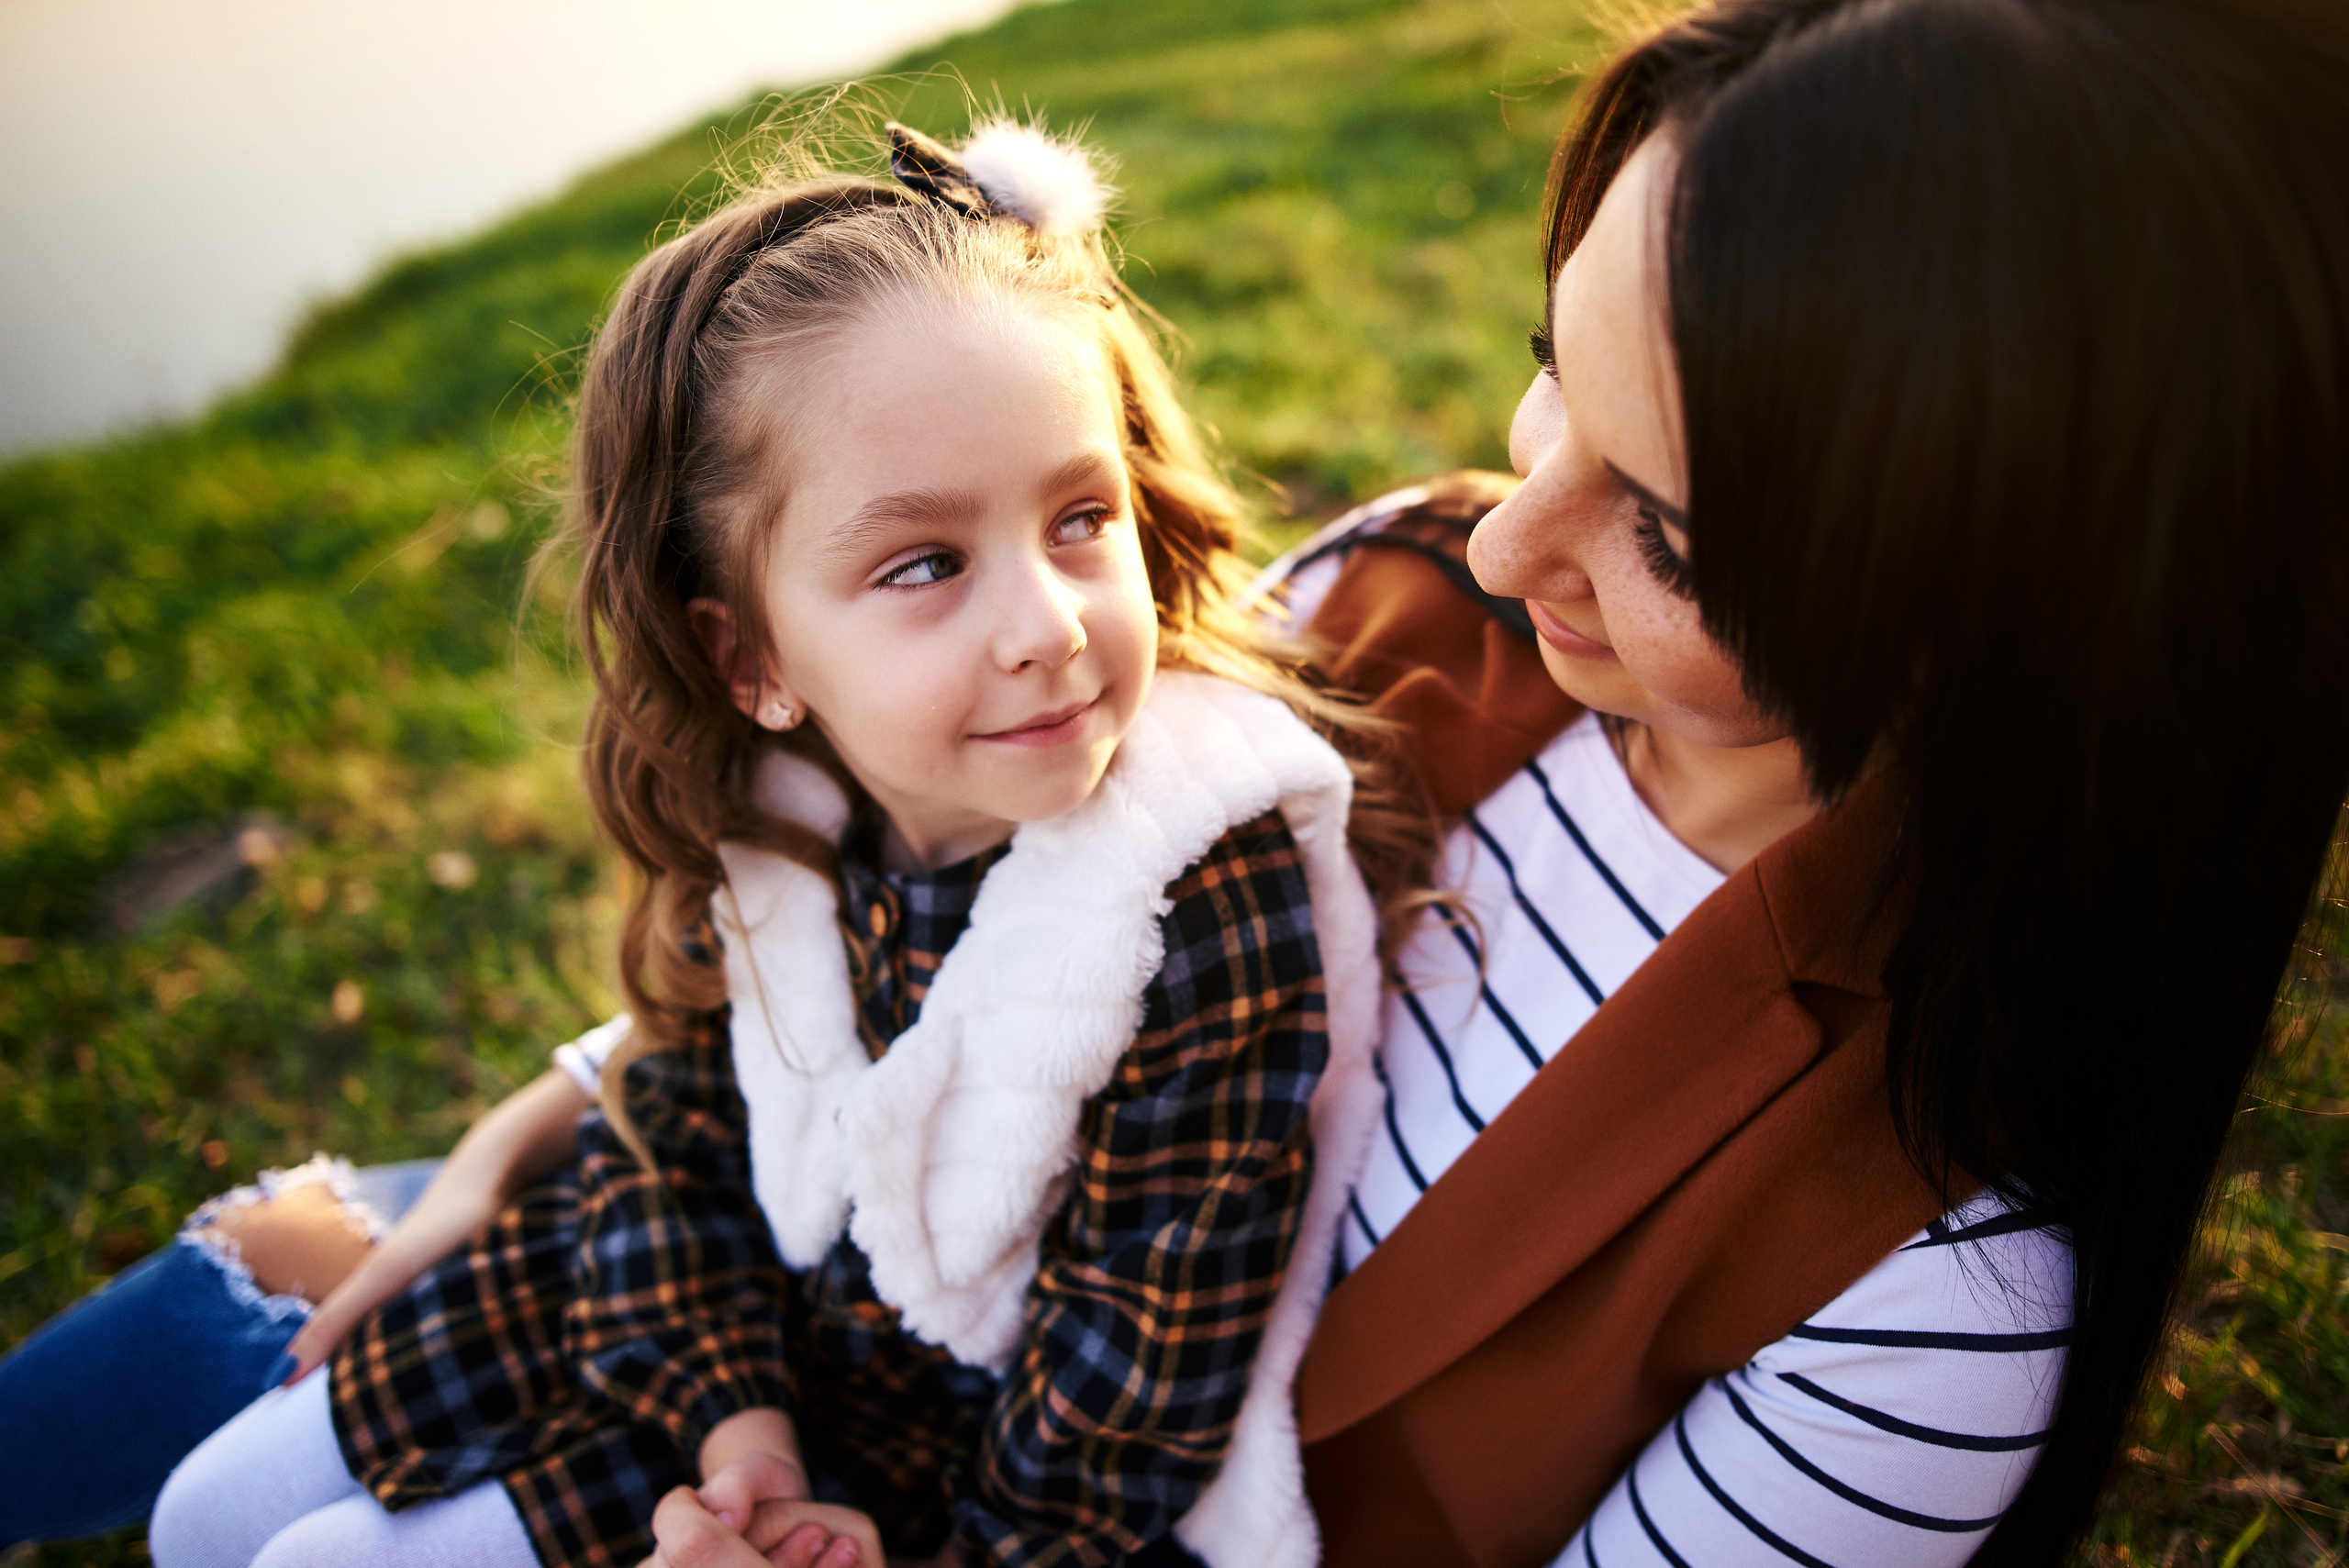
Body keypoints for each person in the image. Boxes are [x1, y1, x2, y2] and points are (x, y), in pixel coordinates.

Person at [647, 0, 2349, 1564]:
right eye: (1559, 373)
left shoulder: (1918, 1293)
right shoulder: (1382, 598)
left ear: (2003, 635)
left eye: (1670, 537)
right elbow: (907, 940)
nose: (1504, 535)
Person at [98, 117, 1439, 1568]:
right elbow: (667, 1141)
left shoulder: (1198, 905)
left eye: (1077, 517)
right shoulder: (775, 812)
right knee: (205, 1518)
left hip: (935, 1479)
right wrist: (740, 1435)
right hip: (705, 1336)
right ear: (750, 658)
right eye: (925, 562)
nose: (1046, 625)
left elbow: (1116, 1425)